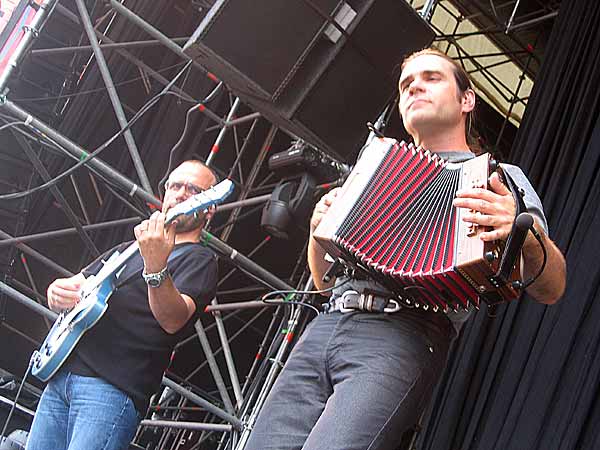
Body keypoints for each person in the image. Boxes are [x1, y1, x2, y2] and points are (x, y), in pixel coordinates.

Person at [243, 48, 567, 450]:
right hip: (326, 327)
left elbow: (552, 287)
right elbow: (325, 283)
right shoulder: (374, 166)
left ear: (467, 100)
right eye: (406, 84)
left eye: (431, 77)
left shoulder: (498, 179)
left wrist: (526, 233)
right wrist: (317, 232)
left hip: (404, 335)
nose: (415, 86)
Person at [26, 160, 220, 450]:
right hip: (63, 374)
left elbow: (173, 319)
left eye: (193, 189)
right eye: (175, 185)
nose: (181, 193)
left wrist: (156, 266)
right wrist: (56, 292)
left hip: (111, 390)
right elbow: (77, 284)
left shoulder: (201, 260)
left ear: (209, 207)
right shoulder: (128, 249)